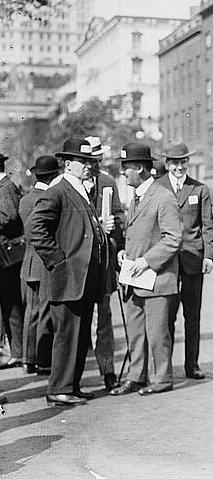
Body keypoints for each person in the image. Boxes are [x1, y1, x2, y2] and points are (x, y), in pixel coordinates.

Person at [26, 138, 110, 406]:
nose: (88, 166)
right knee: (66, 335)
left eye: (90, 162)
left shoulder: (79, 190)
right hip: (67, 277)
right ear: (68, 164)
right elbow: (36, 228)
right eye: (83, 162)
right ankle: (59, 388)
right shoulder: (58, 190)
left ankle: (71, 386)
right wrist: (58, 261)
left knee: (80, 334)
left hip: (83, 279)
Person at [110, 143, 182, 396]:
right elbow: (138, 236)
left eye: (125, 167)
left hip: (157, 279)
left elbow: (173, 238)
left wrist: (146, 261)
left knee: (157, 332)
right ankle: (136, 376)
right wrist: (124, 253)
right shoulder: (137, 198)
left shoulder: (163, 197)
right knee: (136, 331)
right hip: (136, 278)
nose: (122, 172)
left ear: (139, 167)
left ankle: (162, 379)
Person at [156, 143, 213, 380]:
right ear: (167, 164)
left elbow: (207, 225)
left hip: (193, 260)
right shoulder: (157, 187)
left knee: (192, 315)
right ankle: (165, 366)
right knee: (166, 314)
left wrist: (209, 255)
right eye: (174, 162)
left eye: (182, 162)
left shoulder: (199, 189)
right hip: (167, 260)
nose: (179, 167)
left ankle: (192, 364)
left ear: (187, 163)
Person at [83, 136, 125, 391]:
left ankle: (108, 370)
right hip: (79, 263)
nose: (92, 164)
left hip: (102, 262)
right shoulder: (69, 184)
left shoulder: (107, 182)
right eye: (88, 159)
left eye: (96, 158)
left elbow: (119, 216)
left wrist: (115, 236)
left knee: (104, 318)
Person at [18, 155, 60, 374]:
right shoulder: (50, 198)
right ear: (53, 176)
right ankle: (43, 359)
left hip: (28, 262)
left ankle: (28, 358)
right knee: (44, 312)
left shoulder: (25, 199)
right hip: (43, 263)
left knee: (31, 313)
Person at [0, 149, 25, 368]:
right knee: (11, 304)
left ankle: (18, 351)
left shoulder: (4, 187)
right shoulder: (6, 186)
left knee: (11, 303)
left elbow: (9, 216)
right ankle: (17, 350)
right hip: (9, 255)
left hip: (8, 256)